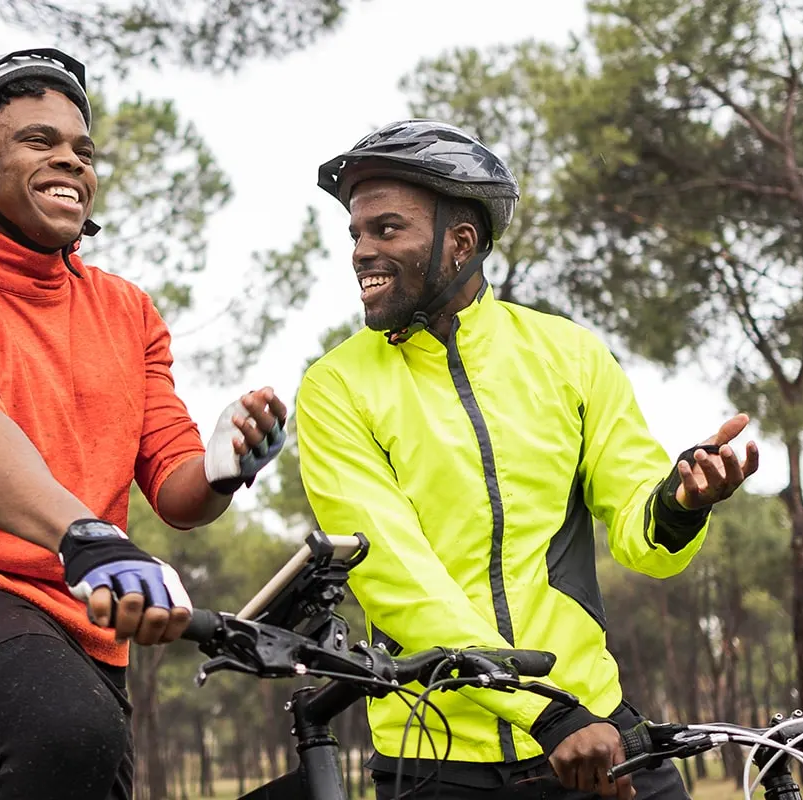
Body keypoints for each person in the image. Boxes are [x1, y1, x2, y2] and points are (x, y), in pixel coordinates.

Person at [0, 47, 289, 800]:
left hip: (86, 633)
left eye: (83, 151)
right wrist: (86, 535)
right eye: (38, 141)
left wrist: (223, 466)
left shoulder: (127, 311)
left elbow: (178, 494)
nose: (71, 161)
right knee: (67, 730)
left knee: (77, 740)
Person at [294, 120, 763, 799]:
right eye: (356, 234)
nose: (362, 251)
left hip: (595, 732)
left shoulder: (570, 354)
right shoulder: (336, 385)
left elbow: (642, 535)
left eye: (387, 229)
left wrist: (680, 503)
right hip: (440, 757)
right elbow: (396, 577)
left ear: (461, 242)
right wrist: (545, 711)